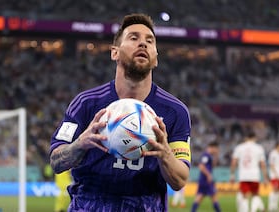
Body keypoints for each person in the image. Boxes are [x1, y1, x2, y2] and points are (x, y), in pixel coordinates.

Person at [49, 13, 191, 211]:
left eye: (149, 41)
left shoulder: (175, 111)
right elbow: (56, 161)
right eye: (134, 38)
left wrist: (165, 154)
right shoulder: (86, 103)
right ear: (114, 52)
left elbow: (180, 180)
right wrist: (80, 144)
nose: (143, 44)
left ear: (156, 59)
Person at [230, 128, 268, 212]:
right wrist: (265, 178)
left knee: (244, 196)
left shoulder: (239, 147)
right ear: (254, 138)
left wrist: (232, 175)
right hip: (255, 175)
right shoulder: (259, 148)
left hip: (244, 175)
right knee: (255, 195)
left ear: (245, 138)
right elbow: (263, 164)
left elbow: (233, 162)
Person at [191, 141, 221, 212]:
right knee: (214, 196)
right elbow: (201, 166)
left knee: (200, 197)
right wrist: (208, 175)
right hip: (206, 180)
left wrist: (216, 156)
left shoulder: (209, 155)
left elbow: (213, 165)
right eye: (216, 149)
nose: (217, 150)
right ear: (213, 147)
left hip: (204, 179)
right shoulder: (206, 155)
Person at [268, 142, 279, 212]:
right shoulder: (273, 154)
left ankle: (275, 206)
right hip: (274, 175)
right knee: (274, 189)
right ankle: (270, 207)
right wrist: (275, 173)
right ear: (277, 146)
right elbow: (271, 164)